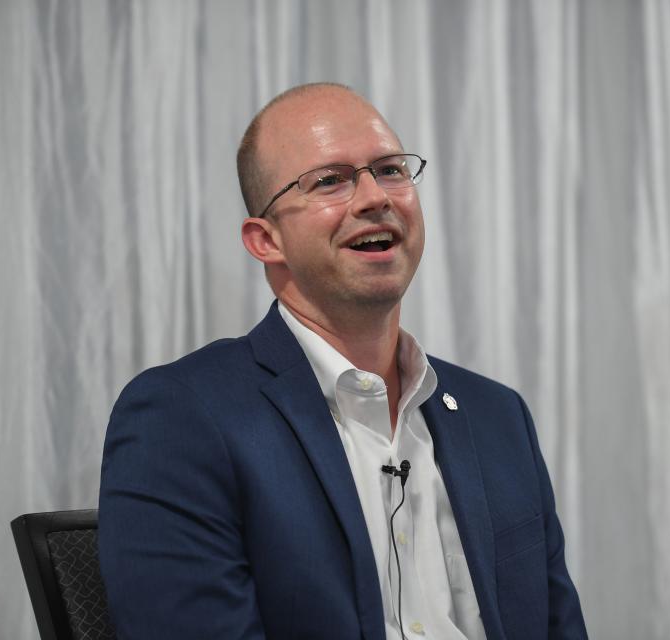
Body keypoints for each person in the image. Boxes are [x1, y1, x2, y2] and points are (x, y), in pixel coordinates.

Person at [98, 82, 587, 639]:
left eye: (391, 170)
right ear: (265, 240)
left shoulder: (499, 416)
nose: (375, 196)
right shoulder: (183, 417)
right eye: (330, 180)